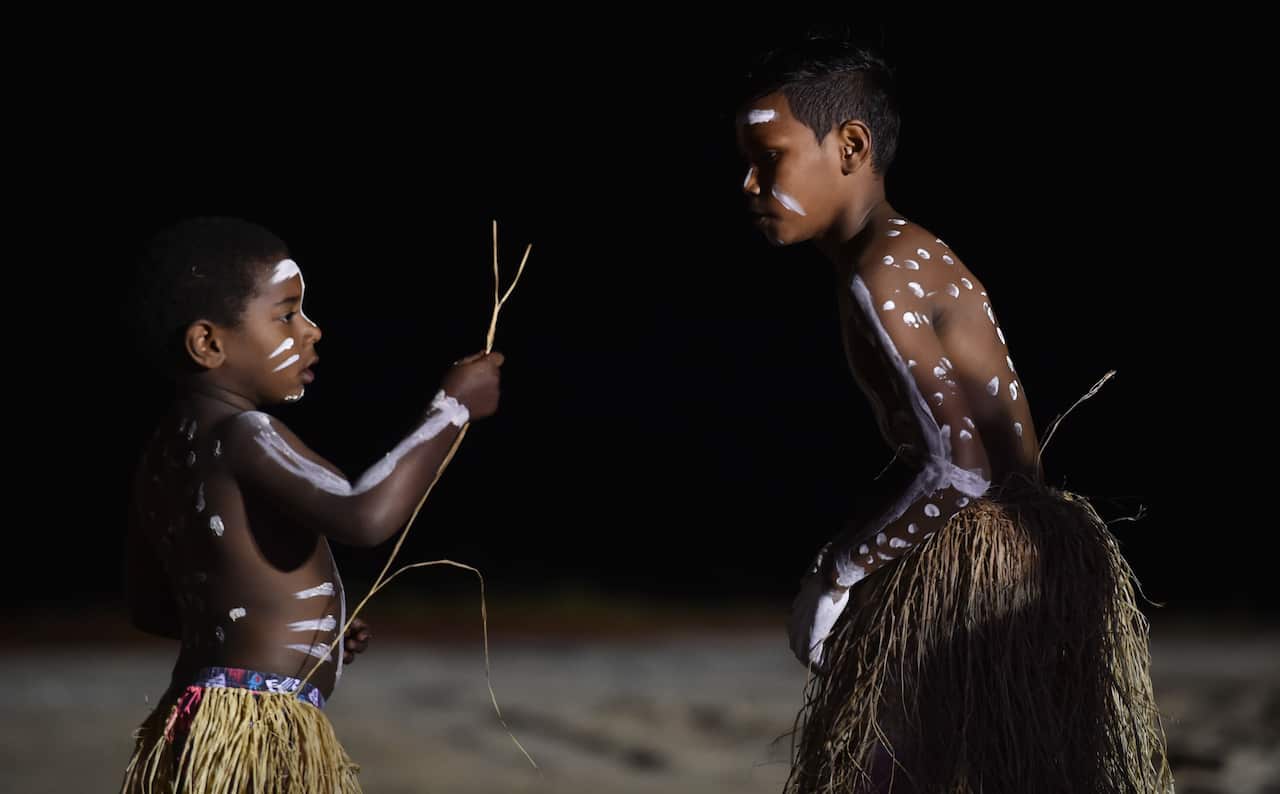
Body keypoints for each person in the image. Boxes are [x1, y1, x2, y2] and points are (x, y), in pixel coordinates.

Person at [733, 38, 1171, 793]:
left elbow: (959, 471)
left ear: (851, 147)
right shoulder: (915, 251)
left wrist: (835, 578)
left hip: (989, 568)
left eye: (768, 157)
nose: (747, 183)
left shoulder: (880, 274)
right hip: (1035, 555)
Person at [120, 216, 503, 792]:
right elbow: (362, 514)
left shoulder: (164, 455)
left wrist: (303, 630)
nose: (311, 330)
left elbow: (151, 607)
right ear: (208, 343)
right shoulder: (246, 433)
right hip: (255, 725)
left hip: (197, 721)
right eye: (286, 313)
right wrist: (451, 411)